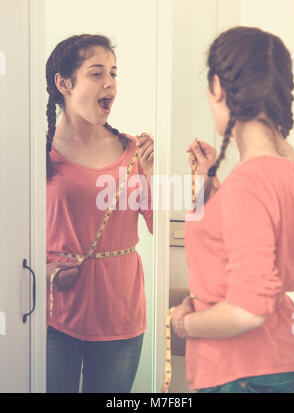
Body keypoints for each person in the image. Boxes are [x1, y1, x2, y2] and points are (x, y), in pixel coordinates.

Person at [171, 26, 294, 393]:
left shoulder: (251, 184)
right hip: (277, 360)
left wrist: (184, 324)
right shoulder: (285, 172)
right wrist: (207, 179)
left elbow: (248, 309)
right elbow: (237, 236)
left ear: (218, 87)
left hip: (242, 372)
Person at [45, 34, 154, 393]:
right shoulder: (37, 153)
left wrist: (155, 174)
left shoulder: (135, 152)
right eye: (96, 73)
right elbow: (10, 237)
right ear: (64, 83)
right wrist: (47, 272)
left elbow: (159, 220)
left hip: (120, 313)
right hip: (53, 313)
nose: (109, 83)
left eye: (113, 73)